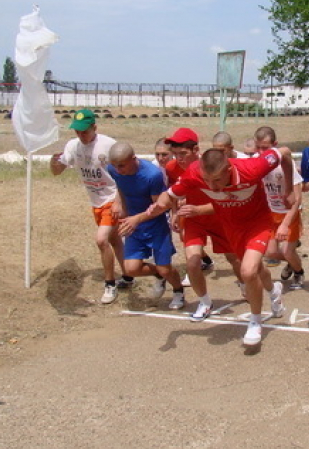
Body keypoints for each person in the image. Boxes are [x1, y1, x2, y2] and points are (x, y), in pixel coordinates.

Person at [138, 146, 295, 346]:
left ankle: (255, 322)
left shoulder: (253, 167)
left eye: (217, 180)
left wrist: (288, 188)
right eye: (207, 180)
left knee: (247, 271)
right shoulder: (194, 173)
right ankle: (274, 291)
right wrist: (159, 205)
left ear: (229, 170)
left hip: (257, 223)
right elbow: (169, 195)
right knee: (255, 269)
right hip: (231, 226)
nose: (211, 187)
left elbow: (286, 152)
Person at [50, 108, 131, 305]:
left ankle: (110, 284)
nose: (81, 135)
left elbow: (125, 173)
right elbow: (57, 171)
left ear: (94, 127)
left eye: (85, 131)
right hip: (95, 201)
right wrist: (54, 162)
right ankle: (128, 276)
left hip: (112, 199)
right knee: (114, 239)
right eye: (77, 131)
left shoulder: (108, 145)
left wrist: (120, 201)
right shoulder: (73, 146)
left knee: (101, 240)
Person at [162, 128, 242, 310]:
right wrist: (175, 212)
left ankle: (246, 286)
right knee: (192, 262)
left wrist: (199, 209)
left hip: (218, 216)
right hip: (193, 219)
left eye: (183, 153)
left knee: (235, 259)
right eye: (174, 154)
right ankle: (205, 302)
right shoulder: (171, 168)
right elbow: (172, 193)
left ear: (196, 150)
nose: (178, 159)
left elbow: (227, 200)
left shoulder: (210, 166)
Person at [108, 142, 185, 310]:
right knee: (131, 269)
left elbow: (159, 207)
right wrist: (118, 203)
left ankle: (178, 290)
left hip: (155, 225)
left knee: (166, 269)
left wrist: (136, 219)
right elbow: (121, 186)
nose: (118, 170)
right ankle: (158, 274)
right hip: (133, 225)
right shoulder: (113, 169)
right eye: (115, 166)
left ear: (133, 159)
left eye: (121, 166)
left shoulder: (152, 175)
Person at [254, 126, 305, 289]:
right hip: (271, 213)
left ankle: (299, 272)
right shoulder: (256, 160)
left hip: (289, 213)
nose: (262, 152)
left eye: (266, 148)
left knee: (288, 251)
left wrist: (284, 224)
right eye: (259, 147)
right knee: (270, 253)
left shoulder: (283, 164)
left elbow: (297, 199)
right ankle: (292, 262)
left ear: (275, 145)